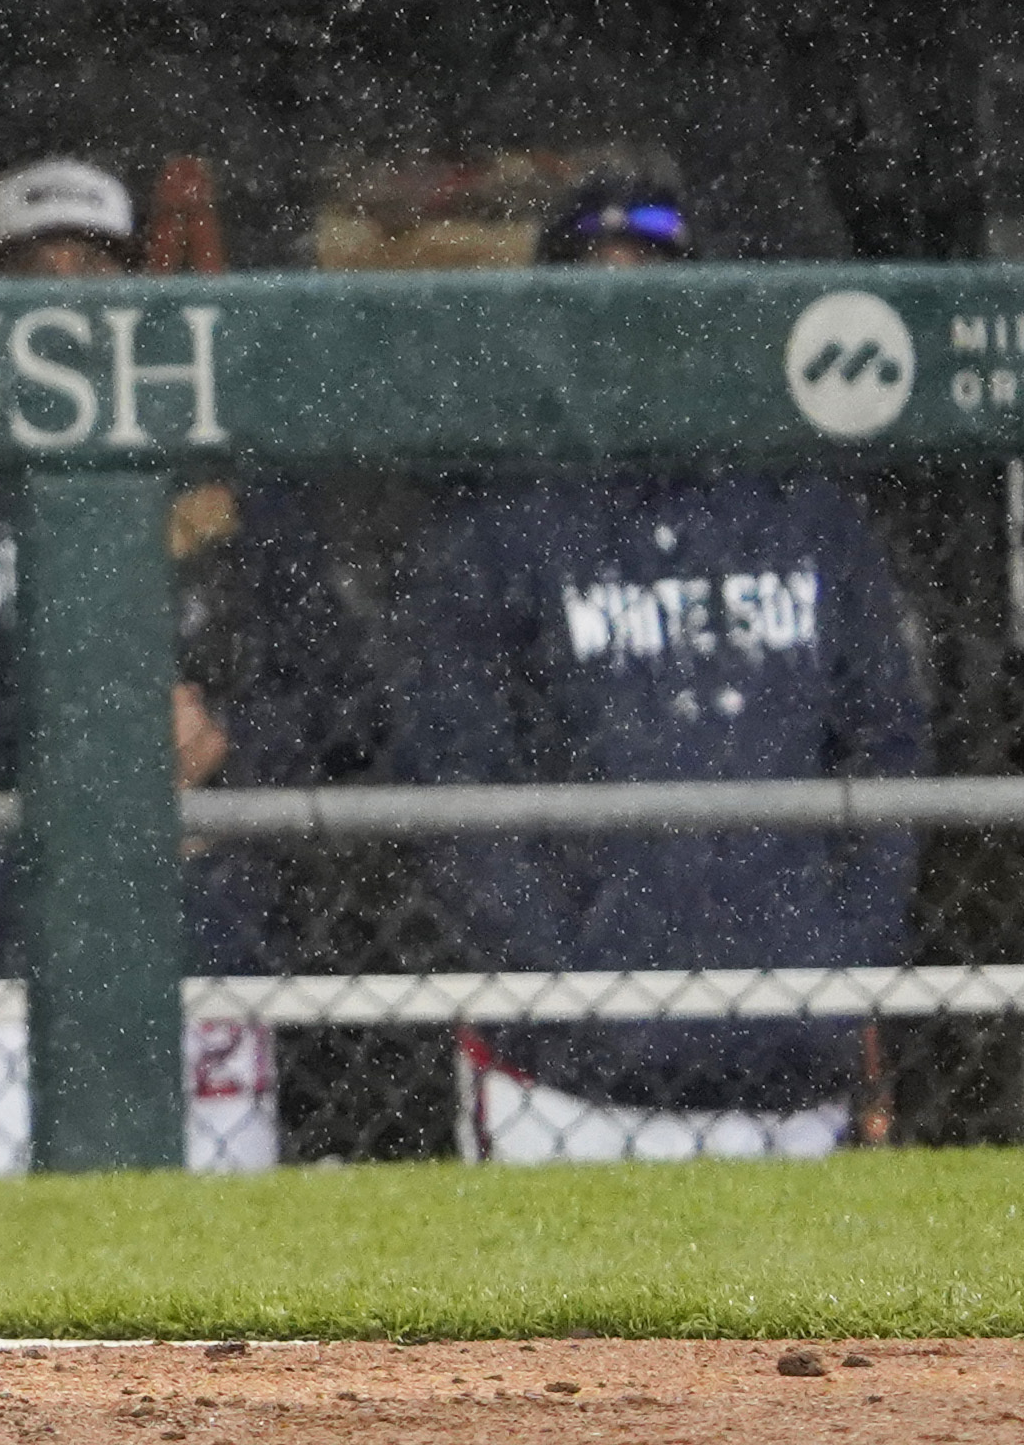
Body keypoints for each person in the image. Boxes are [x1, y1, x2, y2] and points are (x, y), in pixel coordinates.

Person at [0, 157, 373, 1174]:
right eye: (32, 269)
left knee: (221, 1285)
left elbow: (343, 704)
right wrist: (64, 742)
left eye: (92, 265)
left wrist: (224, 741)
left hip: (205, 956)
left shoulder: (222, 475)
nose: (63, 293)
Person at [391, 173, 929, 1162]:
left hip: (790, 1059)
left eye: (656, 286)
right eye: (595, 289)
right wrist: (572, 973)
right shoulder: (499, 526)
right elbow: (452, 779)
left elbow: (890, 742)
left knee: (809, 1320)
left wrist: (835, 950)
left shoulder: (801, 505)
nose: (627, 314)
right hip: (564, 1088)